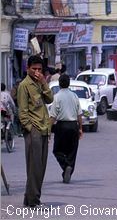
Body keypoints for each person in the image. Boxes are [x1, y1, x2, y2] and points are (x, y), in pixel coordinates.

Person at [17, 55, 54, 207]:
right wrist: (30, 129)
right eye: (34, 69)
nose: (37, 71)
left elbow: (50, 99)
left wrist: (44, 82)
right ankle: (34, 200)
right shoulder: (24, 86)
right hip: (34, 130)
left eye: (39, 69)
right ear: (28, 69)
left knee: (41, 166)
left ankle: (29, 198)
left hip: (45, 129)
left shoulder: (39, 83)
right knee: (35, 168)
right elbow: (23, 112)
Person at [48, 74, 83, 184]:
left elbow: (53, 116)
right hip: (73, 126)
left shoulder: (57, 97)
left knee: (57, 150)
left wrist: (49, 130)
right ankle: (68, 169)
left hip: (61, 126)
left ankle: (65, 165)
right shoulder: (74, 96)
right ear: (69, 83)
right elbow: (79, 115)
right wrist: (80, 128)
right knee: (72, 151)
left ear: (59, 84)